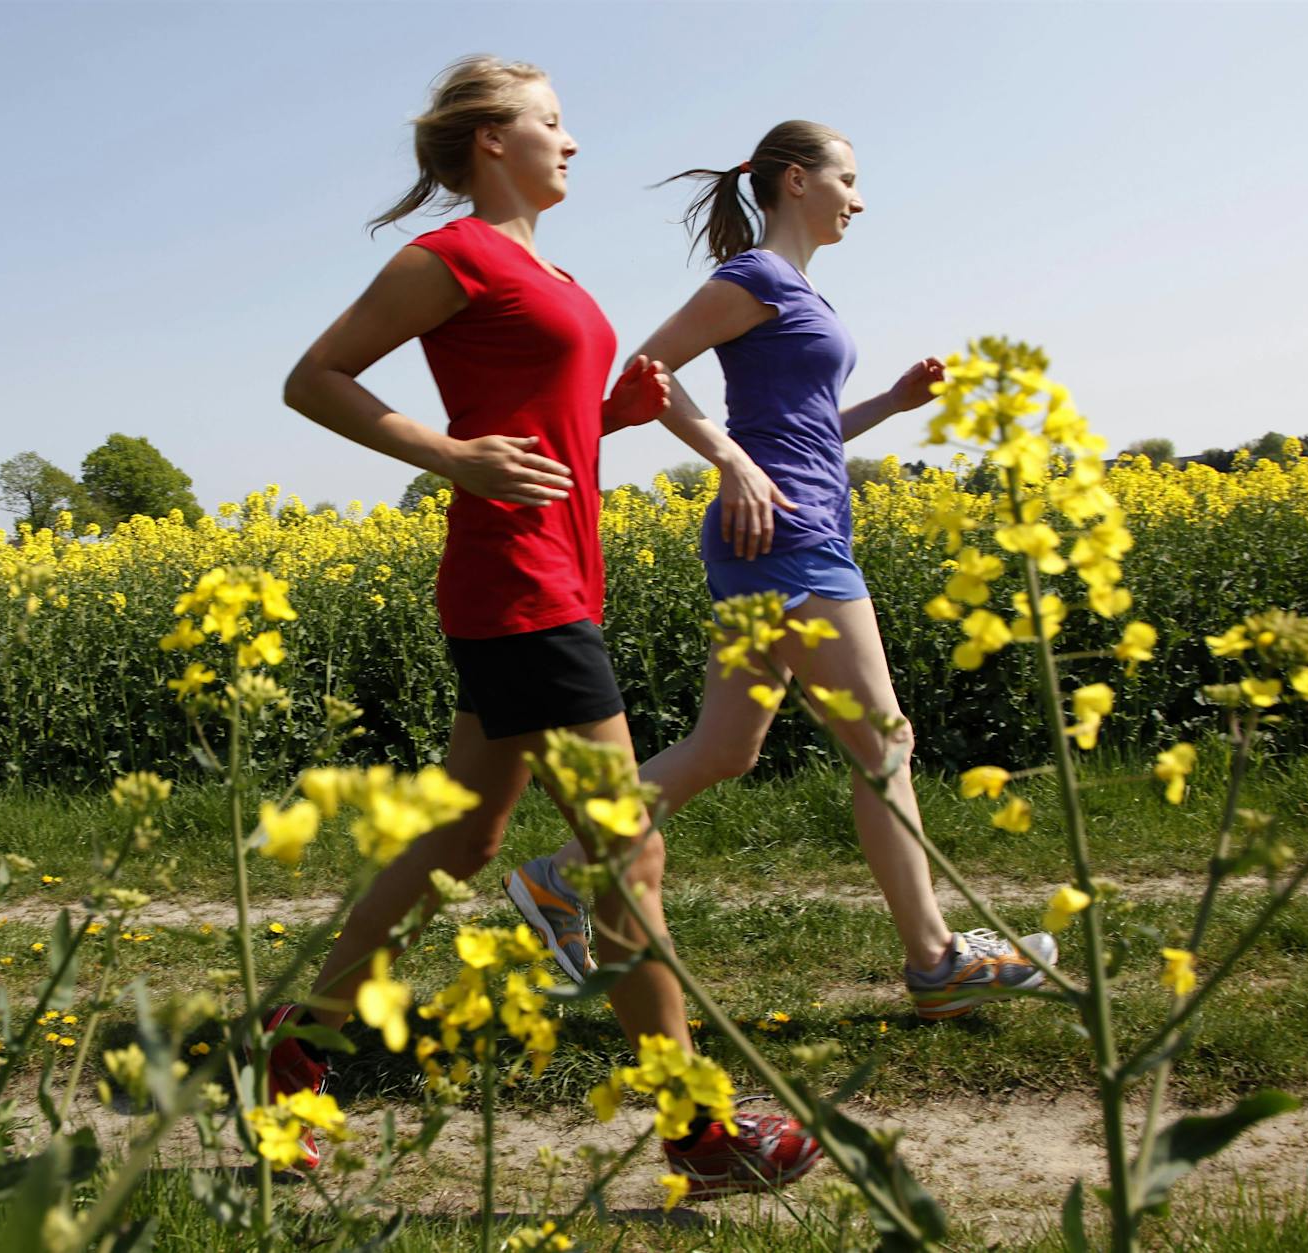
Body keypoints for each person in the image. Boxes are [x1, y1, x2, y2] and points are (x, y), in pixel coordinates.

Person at [275, 59, 822, 1195]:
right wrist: (449, 455)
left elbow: (552, 420)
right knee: (627, 848)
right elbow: (313, 377)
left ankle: (293, 1038)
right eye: (551, 123)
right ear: (489, 140)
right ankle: (696, 1128)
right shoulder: (452, 256)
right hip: (516, 581)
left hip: (555, 575)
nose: (570, 142)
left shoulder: (544, 269)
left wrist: (615, 408)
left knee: (466, 842)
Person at [506, 120, 1058, 1021]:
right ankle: (936, 962)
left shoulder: (798, 290)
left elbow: (804, 435)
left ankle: (562, 878)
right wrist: (728, 460)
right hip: (786, 537)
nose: (860, 197)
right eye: (849, 178)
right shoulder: (754, 276)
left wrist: (890, 401)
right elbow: (648, 367)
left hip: (783, 530)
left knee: (727, 748)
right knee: (885, 742)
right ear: (797, 181)